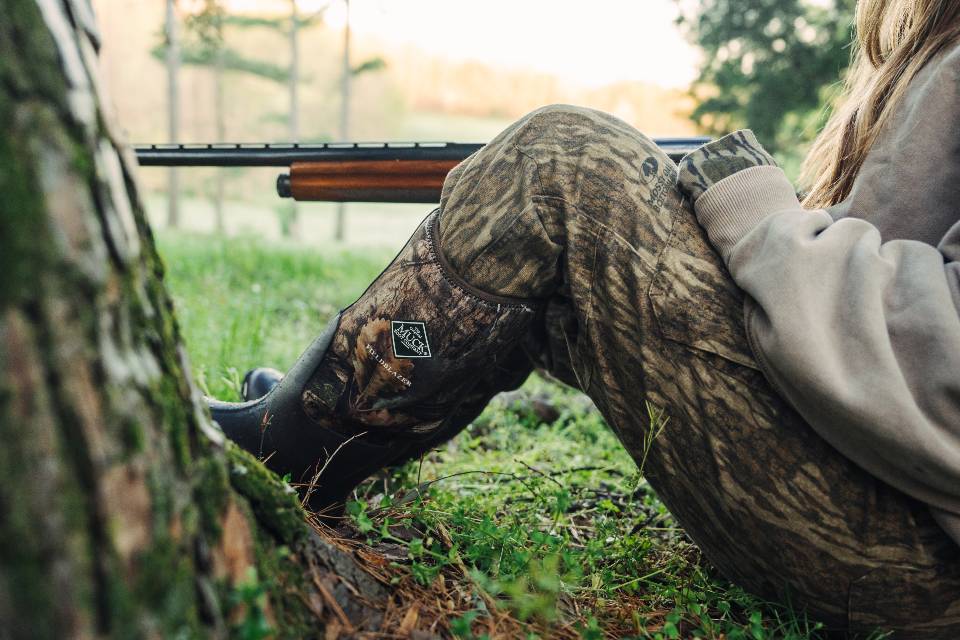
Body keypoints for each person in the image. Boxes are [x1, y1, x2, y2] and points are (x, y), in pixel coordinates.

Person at [208, 0, 960, 634]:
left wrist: (763, 219)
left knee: (562, 163)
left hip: (913, 547)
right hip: (881, 472)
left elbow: (944, 359)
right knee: (571, 231)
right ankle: (337, 414)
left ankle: (292, 442)